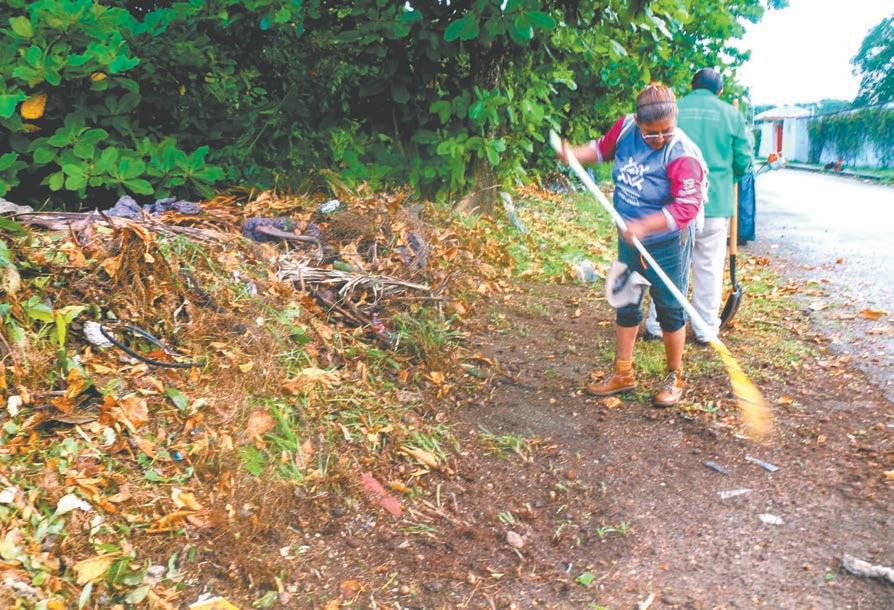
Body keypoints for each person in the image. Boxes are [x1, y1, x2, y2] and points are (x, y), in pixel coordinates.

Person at [557, 84, 707, 407]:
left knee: (669, 307)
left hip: (667, 242)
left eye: (667, 130)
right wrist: (574, 154)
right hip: (629, 237)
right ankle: (622, 373)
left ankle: (674, 375)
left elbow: (686, 208)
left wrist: (644, 226)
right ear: (638, 122)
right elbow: (601, 149)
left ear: (675, 120)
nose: (659, 138)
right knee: (624, 299)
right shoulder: (626, 128)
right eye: (651, 132)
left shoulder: (682, 154)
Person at [645, 68, 754, 343]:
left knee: (668, 266)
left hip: (674, 202)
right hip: (714, 202)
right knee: (709, 267)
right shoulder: (731, 114)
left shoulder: (673, 109)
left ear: (692, 86)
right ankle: (705, 328)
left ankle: (658, 325)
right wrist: (730, 179)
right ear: (720, 91)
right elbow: (743, 161)